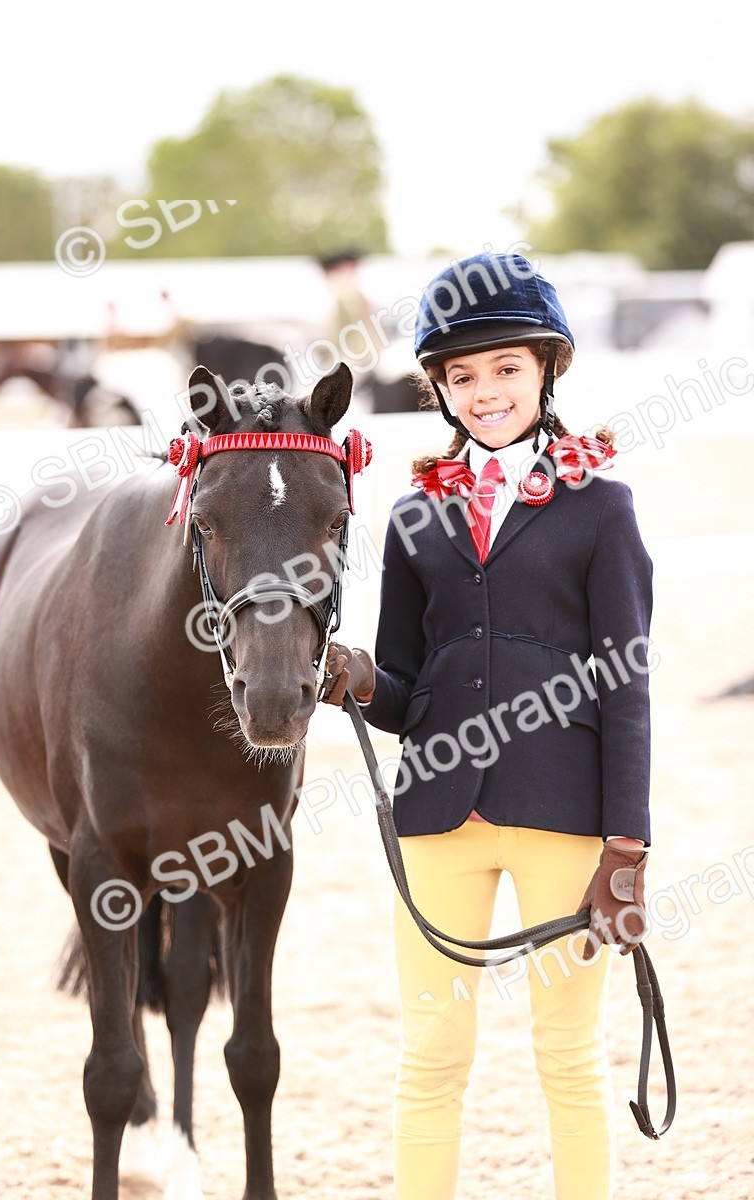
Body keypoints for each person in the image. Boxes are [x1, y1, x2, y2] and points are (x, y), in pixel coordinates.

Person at [321, 251, 653, 1200]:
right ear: (438, 388)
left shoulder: (603, 508)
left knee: (568, 1055)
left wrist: (626, 844)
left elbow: (627, 686)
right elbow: (405, 688)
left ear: (548, 369)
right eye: (461, 376)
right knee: (429, 1056)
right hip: (437, 821)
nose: (484, 391)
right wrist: (353, 681)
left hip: (566, 819)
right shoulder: (415, 514)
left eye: (507, 368)